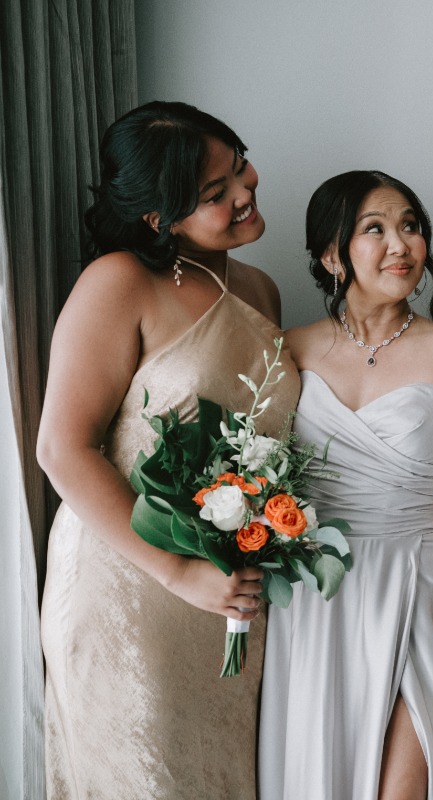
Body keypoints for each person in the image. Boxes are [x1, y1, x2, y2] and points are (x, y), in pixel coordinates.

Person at [37, 101, 298, 798]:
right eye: (215, 194)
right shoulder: (118, 283)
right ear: (160, 219)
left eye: (238, 164)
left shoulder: (259, 289)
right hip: (129, 591)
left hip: (231, 596)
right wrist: (179, 576)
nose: (244, 191)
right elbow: (62, 449)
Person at [258, 171, 433, 800]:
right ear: (331, 255)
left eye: (410, 226)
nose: (401, 244)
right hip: (318, 596)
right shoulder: (289, 352)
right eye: (375, 229)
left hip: (423, 588)